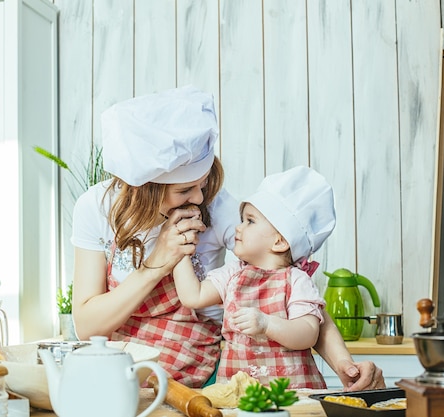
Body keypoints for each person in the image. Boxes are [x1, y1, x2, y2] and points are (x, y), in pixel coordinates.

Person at [71, 85, 385, 390]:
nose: (198, 197)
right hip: (122, 372)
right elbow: (87, 326)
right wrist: (157, 263)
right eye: (184, 190)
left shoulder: (217, 206)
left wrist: (345, 364)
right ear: (145, 190)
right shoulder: (96, 209)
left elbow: (291, 285)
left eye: (203, 184)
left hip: (198, 371)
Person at [173, 166, 335, 388]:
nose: (238, 228)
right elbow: (193, 297)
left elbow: (307, 334)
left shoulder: (296, 280)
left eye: (250, 221)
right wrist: (180, 248)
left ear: (280, 241)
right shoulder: (232, 273)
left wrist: (266, 324)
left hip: (291, 394)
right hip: (240, 393)